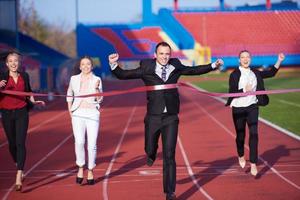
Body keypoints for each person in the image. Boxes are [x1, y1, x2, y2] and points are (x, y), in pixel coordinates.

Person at [108, 42, 223, 200]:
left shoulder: (175, 65)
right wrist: (114, 65)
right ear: (155, 55)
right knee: (149, 147)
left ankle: (170, 192)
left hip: (171, 117)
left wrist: (213, 65)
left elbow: (193, 70)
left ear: (170, 55)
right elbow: (125, 75)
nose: (164, 57)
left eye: (167, 54)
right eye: (161, 54)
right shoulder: (146, 67)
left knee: (170, 154)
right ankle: (151, 153)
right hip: (153, 117)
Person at [225, 50, 285, 176]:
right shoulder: (234, 74)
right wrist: (243, 89)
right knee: (240, 136)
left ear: (250, 59)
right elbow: (232, 90)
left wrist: (279, 60)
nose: (245, 59)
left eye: (247, 57)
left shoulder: (255, 73)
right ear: (239, 60)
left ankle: (253, 163)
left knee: (254, 134)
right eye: (243, 57)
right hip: (238, 108)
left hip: (252, 106)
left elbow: (271, 73)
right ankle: (241, 155)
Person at [0, 51, 45, 191]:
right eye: (11, 61)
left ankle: (19, 175)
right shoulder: (1, 77)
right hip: (6, 114)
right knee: (12, 144)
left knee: (20, 143)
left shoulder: (24, 76)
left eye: (16, 61)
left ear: (19, 63)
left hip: (21, 112)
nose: (14, 63)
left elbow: (28, 92)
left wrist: (34, 101)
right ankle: (18, 164)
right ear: (7, 64)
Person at [66, 56, 103, 185]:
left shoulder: (97, 79)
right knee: (80, 142)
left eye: (88, 64)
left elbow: (99, 100)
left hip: (92, 114)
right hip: (78, 114)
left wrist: (97, 89)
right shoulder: (73, 79)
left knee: (92, 145)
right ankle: (81, 167)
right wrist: (70, 111)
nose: (86, 66)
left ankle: (91, 170)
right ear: (80, 66)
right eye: (83, 64)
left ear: (92, 66)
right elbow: (69, 94)